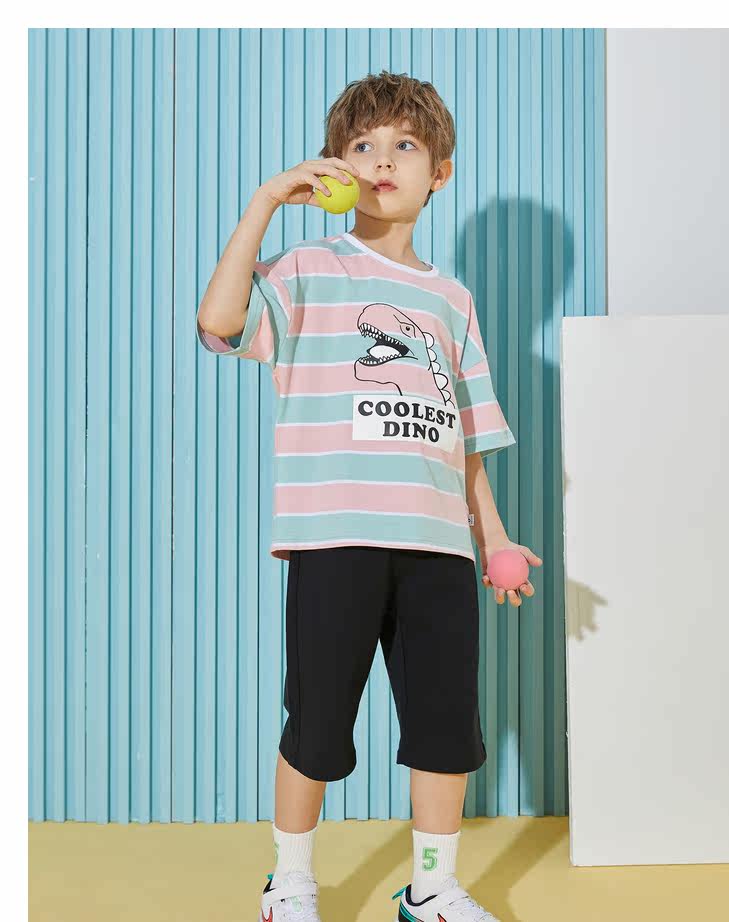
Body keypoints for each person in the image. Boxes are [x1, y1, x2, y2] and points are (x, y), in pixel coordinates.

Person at [196, 69, 542, 922]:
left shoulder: (452, 300)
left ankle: (431, 888)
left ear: (440, 172)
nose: (382, 160)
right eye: (362, 145)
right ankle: (290, 881)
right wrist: (264, 203)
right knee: (316, 722)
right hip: (336, 536)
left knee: (445, 726)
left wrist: (495, 538)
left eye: (404, 145)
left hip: (437, 546)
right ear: (335, 166)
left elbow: (465, 437)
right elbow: (219, 322)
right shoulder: (309, 267)